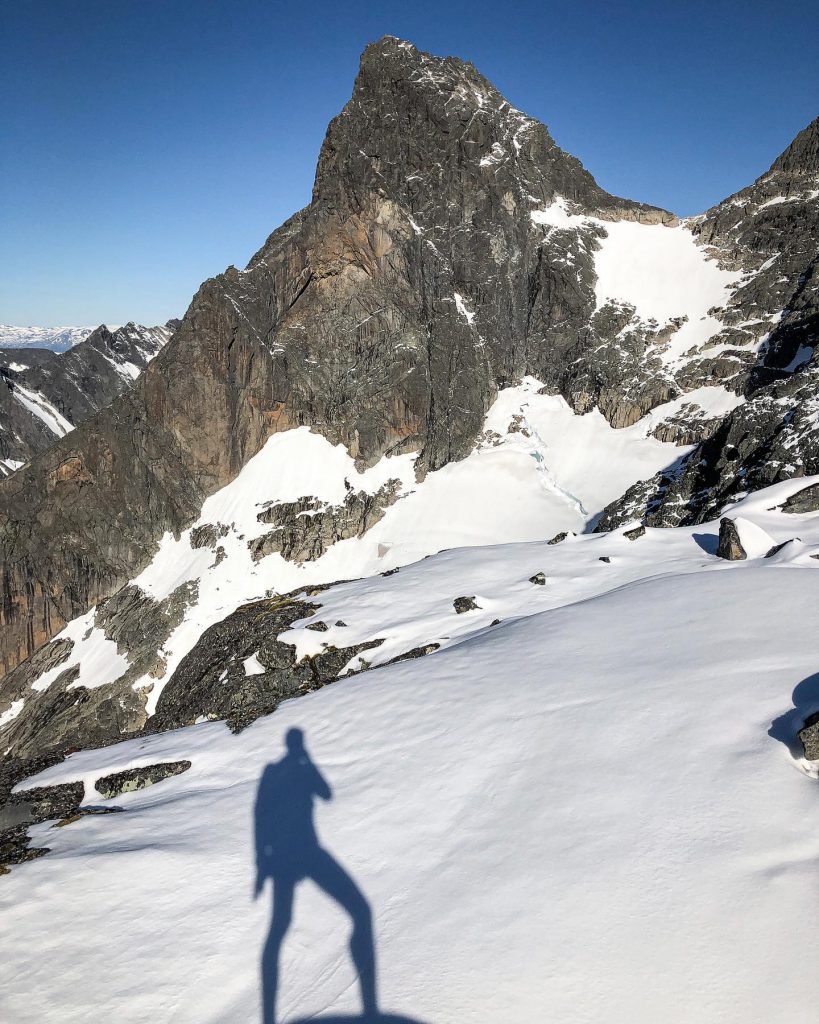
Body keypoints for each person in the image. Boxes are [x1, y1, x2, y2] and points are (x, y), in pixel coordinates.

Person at [255, 727, 378, 1023]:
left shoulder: (273, 772)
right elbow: (326, 793)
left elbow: (260, 819)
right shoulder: (296, 769)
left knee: (278, 929)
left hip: (286, 859)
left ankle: (268, 1017)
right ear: (298, 745)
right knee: (361, 911)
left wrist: (262, 865)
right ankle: (370, 1009)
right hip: (306, 853)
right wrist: (308, 764)